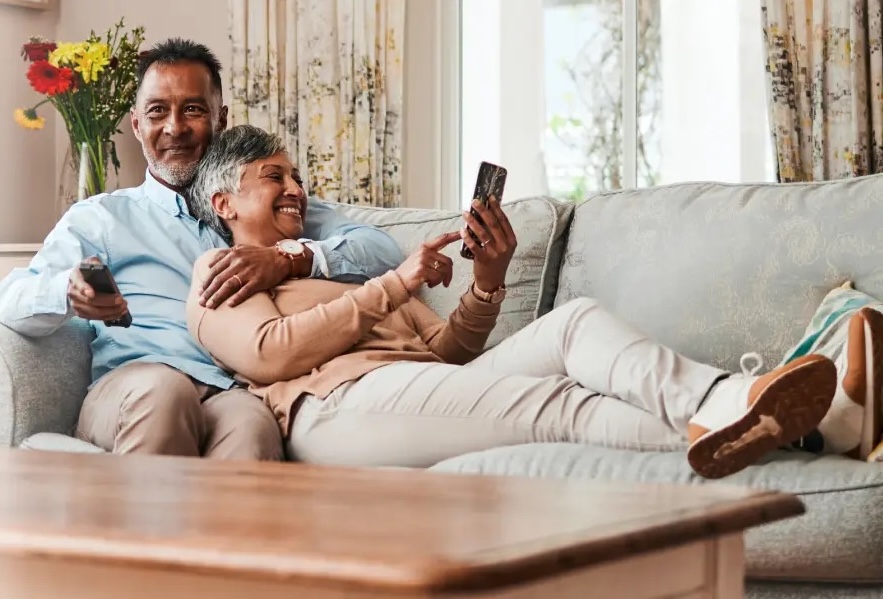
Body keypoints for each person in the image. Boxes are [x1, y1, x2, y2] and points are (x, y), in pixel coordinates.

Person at [183, 125, 850, 479]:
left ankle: (737, 401)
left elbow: (447, 352)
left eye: (298, 176)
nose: (296, 188)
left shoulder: (337, 265)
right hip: (333, 409)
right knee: (564, 404)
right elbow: (270, 354)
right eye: (274, 177)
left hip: (411, 387)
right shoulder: (217, 273)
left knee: (574, 323)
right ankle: (799, 429)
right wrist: (397, 283)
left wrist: (487, 280)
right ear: (224, 202)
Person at [0, 39, 403, 460]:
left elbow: (383, 251)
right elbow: (11, 300)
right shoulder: (102, 217)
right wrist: (70, 291)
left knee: (252, 423)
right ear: (136, 124)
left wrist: (290, 259)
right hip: (134, 381)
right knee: (165, 392)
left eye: (192, 109)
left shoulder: (267, 201)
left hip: (228, 388)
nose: (174, 127)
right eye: (157, 111)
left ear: (220, 119)